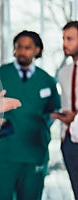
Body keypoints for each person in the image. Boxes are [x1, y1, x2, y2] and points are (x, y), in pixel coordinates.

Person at [0, 30, 61, 200]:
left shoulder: (47, 81)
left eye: (27, 48)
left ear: (37, 50)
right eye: (19, 47)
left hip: (35, 153)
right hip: (5, 153)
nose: (22, 52)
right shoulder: (0, 75)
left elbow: (54, 113)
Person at [51, 20, 78, 200]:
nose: (64, 44)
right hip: (69, 140)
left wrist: (76, 117)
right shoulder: (64, 72)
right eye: (63, 38)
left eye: (70, 39)